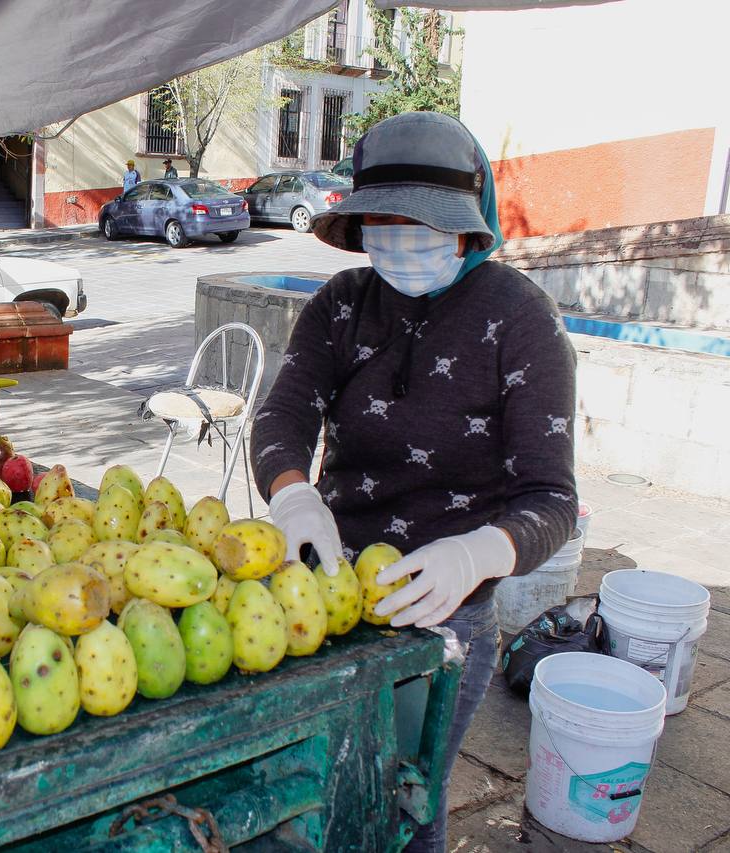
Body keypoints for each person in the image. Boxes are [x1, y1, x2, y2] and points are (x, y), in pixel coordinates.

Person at [249, 111, 576, 853]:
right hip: (326, 586)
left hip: (445, 616)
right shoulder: (341, 307)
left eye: (422, 221)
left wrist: (477, 555)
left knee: (404, 807)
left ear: (471, 222)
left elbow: (552, 498)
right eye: (383, 219)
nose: (399, 236)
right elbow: (283, 416)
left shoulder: (520, 319)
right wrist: (294, 494)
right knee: (312, 794)